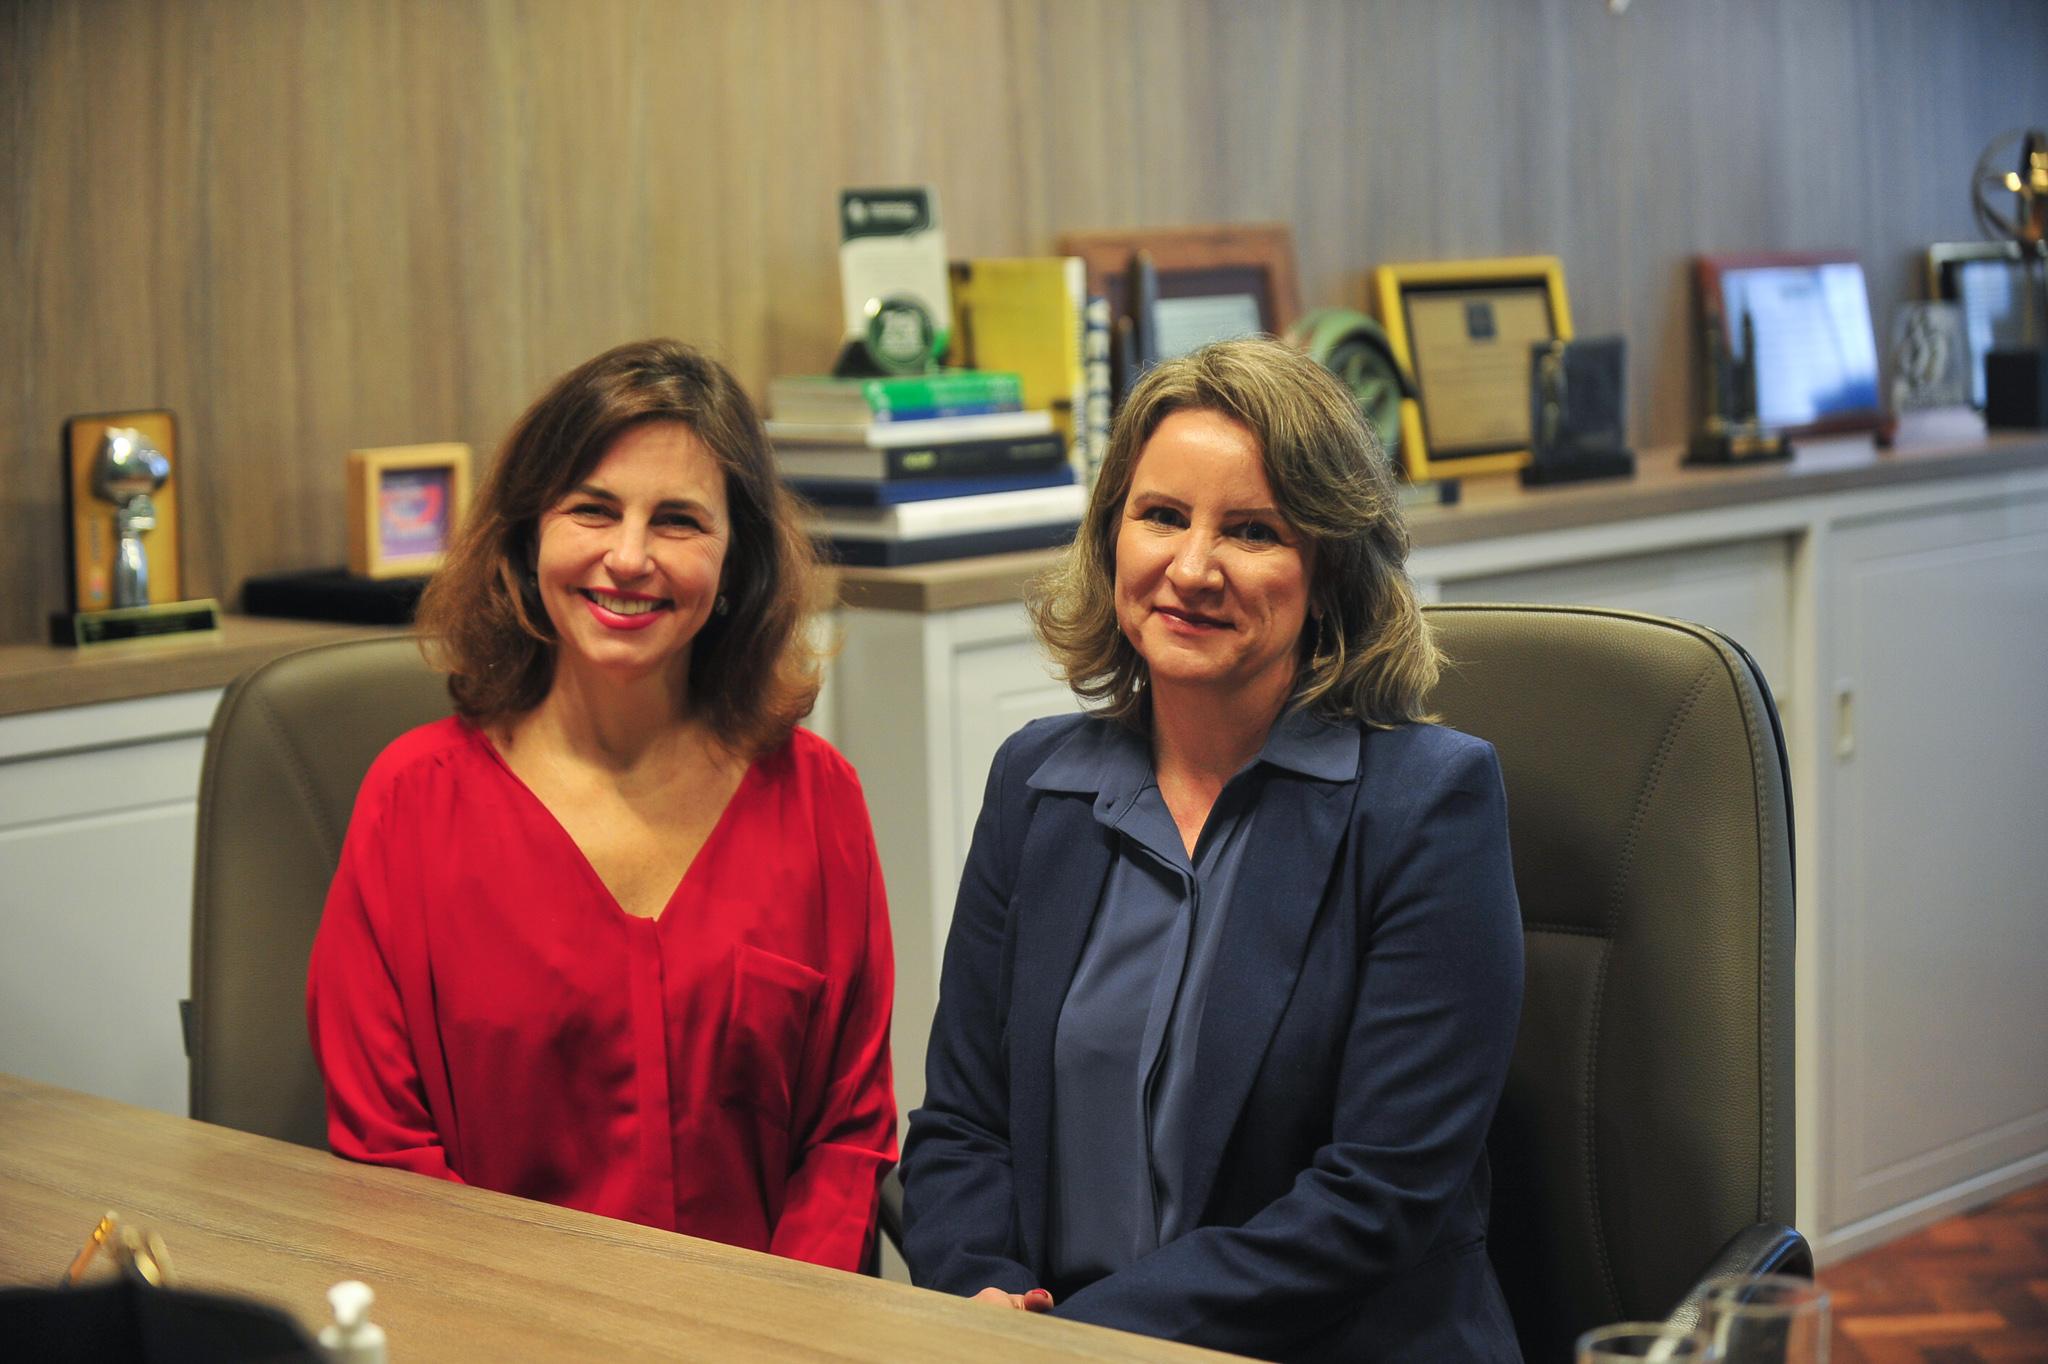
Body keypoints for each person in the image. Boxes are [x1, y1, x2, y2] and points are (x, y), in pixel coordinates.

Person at [899, 338, 1525, 1360]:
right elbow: (964, 1124)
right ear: (1110, 540)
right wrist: (983, 1291)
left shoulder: (1426, 806)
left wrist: (1080, 1342)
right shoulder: (1036, 784)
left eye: (1251, 529)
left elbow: (1375, 1196)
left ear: (1324, 568)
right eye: (1159, 517)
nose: (1191, 568)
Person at [307, 339, 894, 1272]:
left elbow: (846, 1134)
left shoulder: (818, 799)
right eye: (592, 510)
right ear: (527, 533)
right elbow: (388, 1160)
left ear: (736, 558)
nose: (629, 558)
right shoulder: (411, 806)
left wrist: (787, 1331)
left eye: (678, 522)